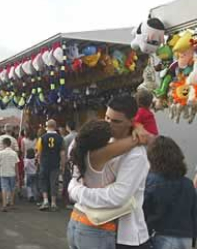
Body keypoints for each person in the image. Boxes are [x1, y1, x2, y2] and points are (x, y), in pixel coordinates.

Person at [69, 95, 151, 248]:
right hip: (96, 228)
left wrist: (77, 191)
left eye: (116, 121)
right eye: (107, 118)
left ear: (131, 121)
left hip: (125, 234)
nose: (109, 124)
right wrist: (76, 190)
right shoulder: (98, 142)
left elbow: (118, 196)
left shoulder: (136, 155)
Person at [143, 136, 197, 249]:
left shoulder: (150, 181)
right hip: (186, 237)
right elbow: (194, 214)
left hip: (160, 235)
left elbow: (144, 211)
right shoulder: (188, 184)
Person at [36, 119, 66, 211]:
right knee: (54, 182)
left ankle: (45, 201)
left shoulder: (42, 138)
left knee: (43, 181)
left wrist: (39, 161)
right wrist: (63, 165)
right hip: (55, 164)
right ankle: (53, 203)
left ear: (47, 126)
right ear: (55, 126)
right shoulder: (60, 138)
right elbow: (63, 153)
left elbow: (38, 152)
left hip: (44, 163)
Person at [0, 138, 20, 212]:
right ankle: (11, 203)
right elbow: (16, 165)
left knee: (4, 188)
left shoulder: (1, 153)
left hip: (3, 172)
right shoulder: (14, 153)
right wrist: (17, 175)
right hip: (12, 172)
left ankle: (4, 204)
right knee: (12, 188)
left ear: (4, 144)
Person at [63, 121, 78, 208]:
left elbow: (64, 152)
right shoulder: (79, 136)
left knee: (68, 180)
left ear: (68, 127)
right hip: (78, 161)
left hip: (69, 162)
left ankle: (68, 200)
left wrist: (63, 163)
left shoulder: (66, 138)